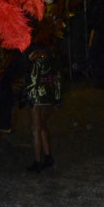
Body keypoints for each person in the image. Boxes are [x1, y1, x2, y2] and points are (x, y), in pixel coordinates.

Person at [21, 18, 63, 171]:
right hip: (49, 93)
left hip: (37, 93)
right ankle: (47, 156)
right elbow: (58, 76)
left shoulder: (35, 53)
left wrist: (28, 96)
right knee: (42, 125)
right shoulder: (51, 51)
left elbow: (33, 78)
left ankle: (38, 161)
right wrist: (57, 97)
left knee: (35, 128)